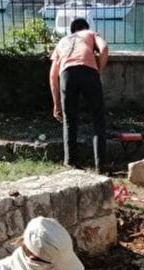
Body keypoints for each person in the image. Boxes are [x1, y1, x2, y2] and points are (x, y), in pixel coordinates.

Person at [49, 18, 109, 173]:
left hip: (66, 74)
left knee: (69, 120)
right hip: (88, 71)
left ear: (72, 30)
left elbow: (52, 75)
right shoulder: (90, 33)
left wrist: (57, 104)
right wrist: (98, 71)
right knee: (98, 118)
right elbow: (104, 48)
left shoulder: (62, 41)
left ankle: (70, 163)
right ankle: (100, 165)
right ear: (85, 28)